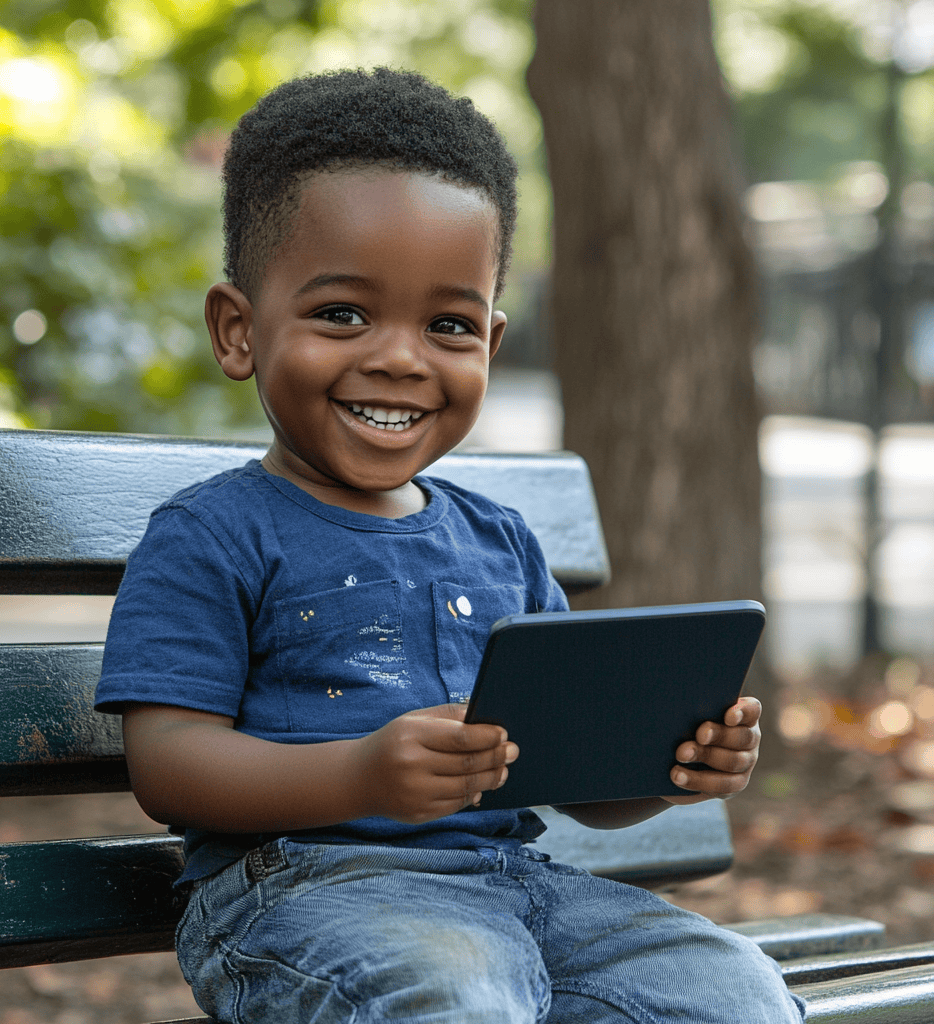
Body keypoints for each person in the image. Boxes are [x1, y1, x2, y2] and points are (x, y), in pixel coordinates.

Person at [95, 67, 805, 1024]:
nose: (399, 356)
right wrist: (361, 773)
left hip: (517, 887)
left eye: (448, 325)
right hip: (305, 895)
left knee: (733, 992)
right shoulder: (213, 534)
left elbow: (572, 778)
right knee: (456, 991)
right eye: (343, 313)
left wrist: (664, 769)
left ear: (491, 345)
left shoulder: (500, 541)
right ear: (238, 330)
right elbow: (168, 764)